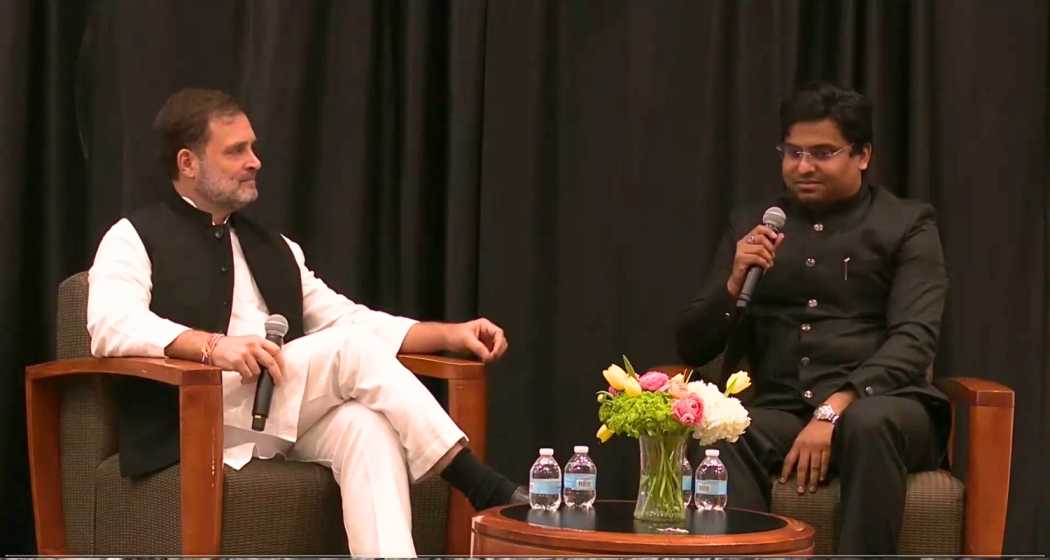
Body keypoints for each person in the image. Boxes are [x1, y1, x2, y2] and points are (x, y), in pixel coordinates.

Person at [87, 88, 523, 557]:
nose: (254, 161)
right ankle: (477, 481)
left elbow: (344, 316)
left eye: (253, 147)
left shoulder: (274, 245)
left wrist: (448, 335)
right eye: (236, 151)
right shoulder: (133, 236)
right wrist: (212, 346)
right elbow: (111, 324)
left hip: (277, 409)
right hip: (193, 415)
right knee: (348, 350)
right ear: (188, 163)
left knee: (364, 426)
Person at [675, 81, 950, 554]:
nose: (803, 167)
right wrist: (734, 281)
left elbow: (914, 340)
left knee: (869, 424)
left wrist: (835, 407)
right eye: (793, 152)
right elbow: (693, 347)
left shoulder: (906, 224)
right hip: (783, 410)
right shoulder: (754, 223)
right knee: (729, 434)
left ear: (862, 155)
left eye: (822, 153)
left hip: (885, 408)